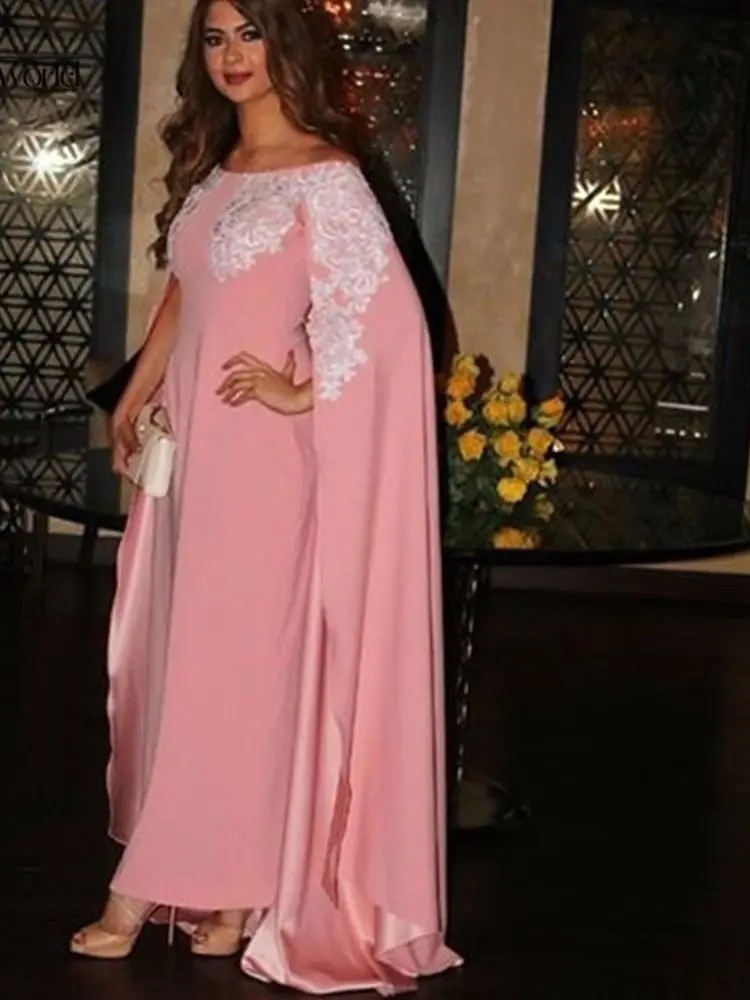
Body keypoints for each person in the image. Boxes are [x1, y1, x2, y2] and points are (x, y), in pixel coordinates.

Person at [69, 0, 463, 993]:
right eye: (215, 38)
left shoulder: (328, 174)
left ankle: (140, 890)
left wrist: (303, 389)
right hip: (196, 455)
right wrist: (138, 392)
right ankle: (235, 891)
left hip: (263, 461)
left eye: (249, 33)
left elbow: (392, 324)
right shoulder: (218, 170)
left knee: (232, 667)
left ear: (286, 43)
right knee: (210, 666)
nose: (231, 55)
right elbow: (184, 296)